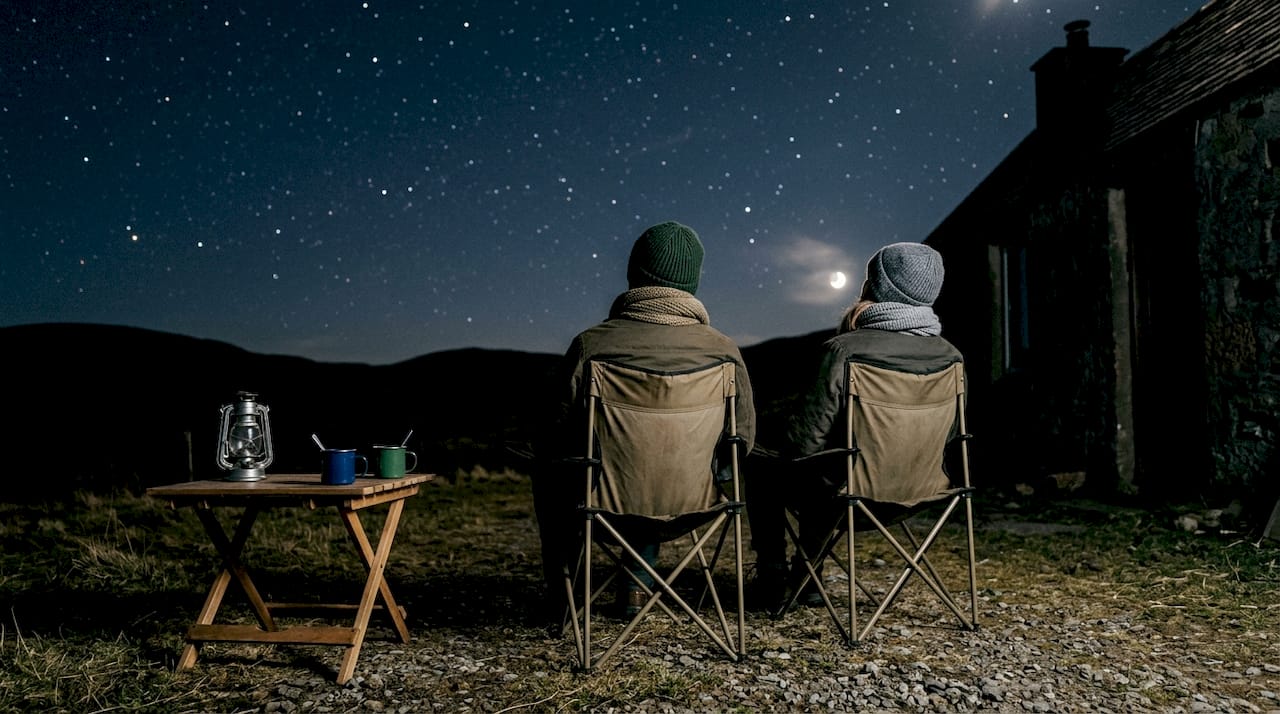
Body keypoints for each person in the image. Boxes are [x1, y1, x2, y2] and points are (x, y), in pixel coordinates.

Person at [532, 220, 757, 622]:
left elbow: (557, 435)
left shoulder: (592, 345)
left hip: (604, 505)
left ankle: (564, 597)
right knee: (657, 469)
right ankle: (636, 585)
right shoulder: (724, 351)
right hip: (694, 504)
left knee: (555, 469)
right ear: (693, 281)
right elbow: (743, 439)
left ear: (633, 274)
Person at [746, 241, 963, 609]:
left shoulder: (844, 350)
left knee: (766, 464)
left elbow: (803, 443)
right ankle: (807, 578)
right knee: (831, 465)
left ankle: (774, 575)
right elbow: (951, 435)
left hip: (849, 496)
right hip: (922, 491)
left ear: (876, 287)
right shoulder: (951, 358)